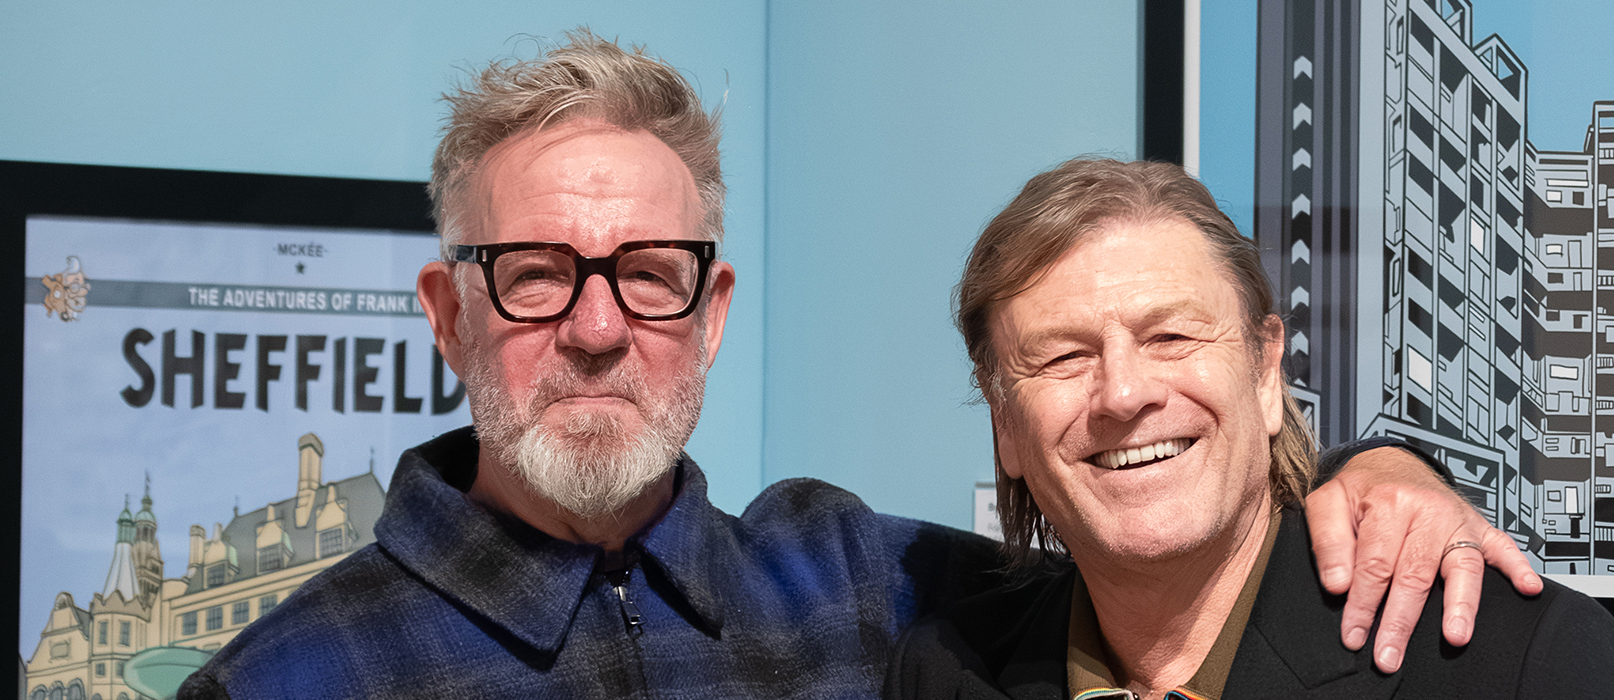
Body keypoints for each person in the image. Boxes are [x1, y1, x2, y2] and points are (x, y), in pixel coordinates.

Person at [179, 33, 1537, 699]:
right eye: (535, 273)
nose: (596, 328)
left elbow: (1139, 530)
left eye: (648, 272)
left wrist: (1374, 469)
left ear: (711, 312)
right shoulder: (285, 681)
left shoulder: (855, 586)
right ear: (448, 312)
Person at [885, 158, 1614, 699]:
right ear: (1007, 426)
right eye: (1063, 356)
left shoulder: (1522, 663)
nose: (1122, 393)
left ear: (1264, 372)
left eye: (1171, 336)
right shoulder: (942, 673)